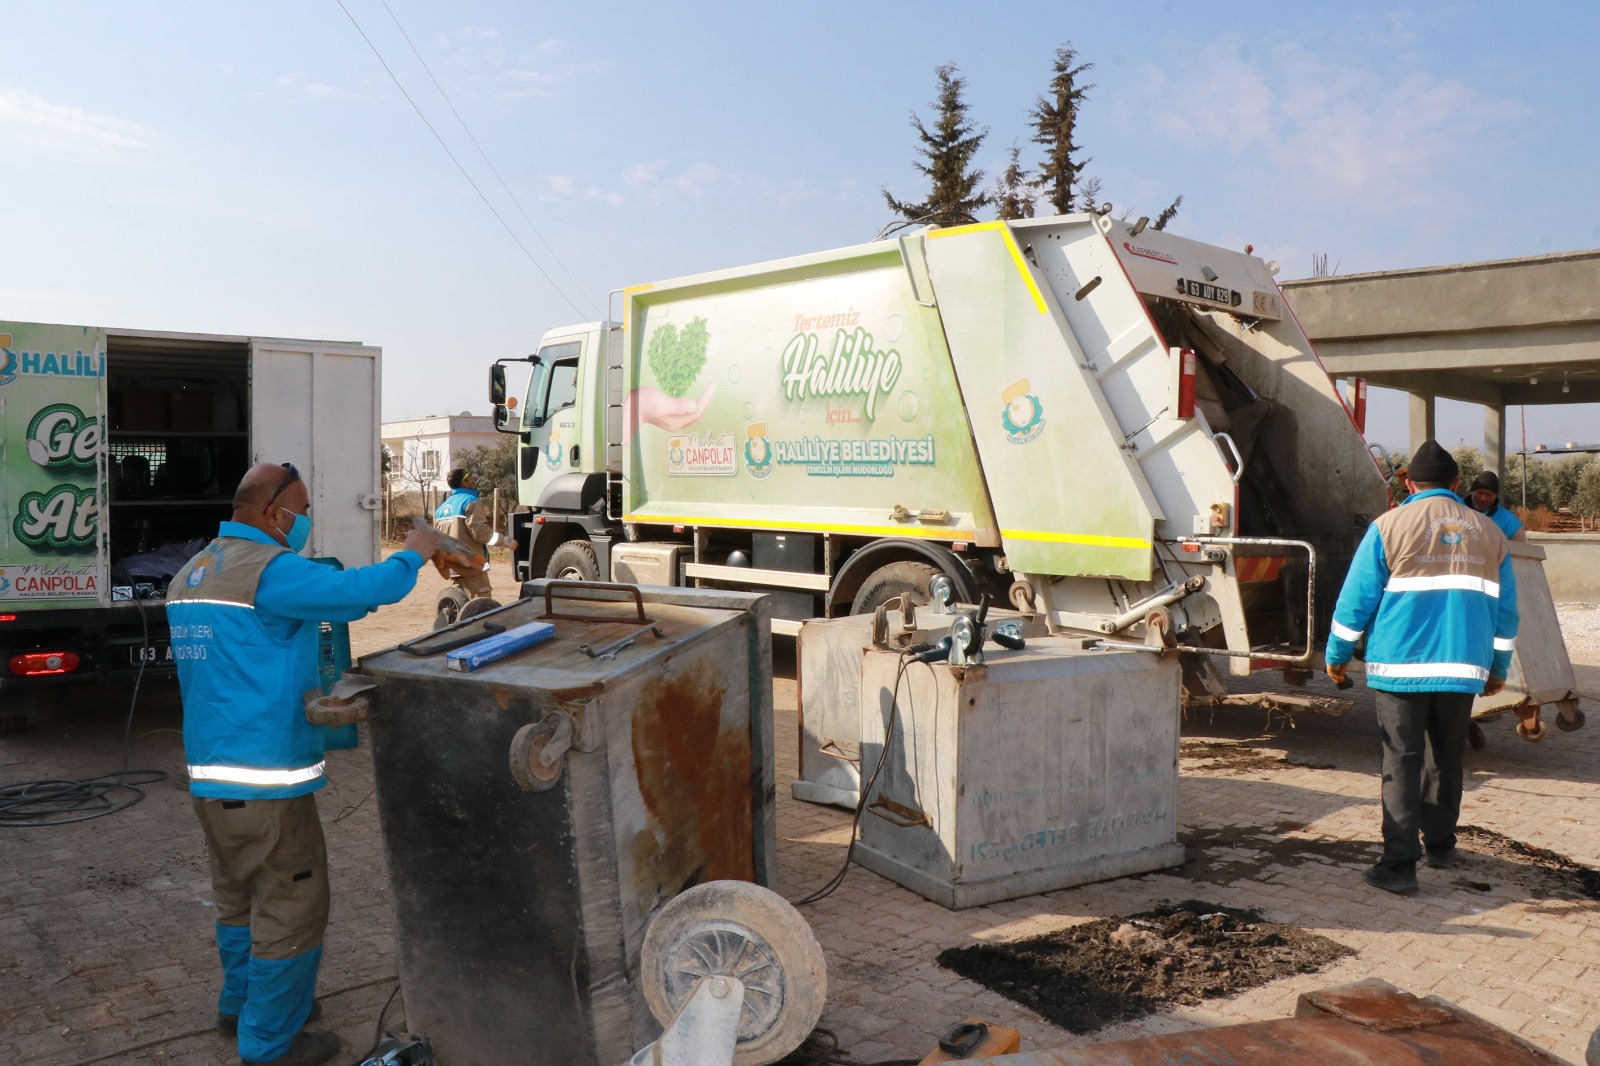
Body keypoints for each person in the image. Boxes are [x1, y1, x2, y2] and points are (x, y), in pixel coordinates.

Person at [167, 461, 464, 1066]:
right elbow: (361, 593)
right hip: (267, 787)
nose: (304, 522)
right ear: (274, 514)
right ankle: (272, 1043)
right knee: (291, 909)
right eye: (301, 510)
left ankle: (240, 1002)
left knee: (238, 897)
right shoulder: (268, 572)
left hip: (211, 776)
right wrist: (412, 552)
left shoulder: (192, 572)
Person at [1325, 440, 1519, 896]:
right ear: (1457, 485)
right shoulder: (1491, 535)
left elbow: (1355, 602)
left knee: (1402, 759)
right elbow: (1506, 612)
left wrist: (1337, 655)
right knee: (1447, 757)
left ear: (1409, 483)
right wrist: (1498, 667)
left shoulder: (1388, 526)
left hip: (1400, 668)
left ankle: (1398, 865)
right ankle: (1441, 846)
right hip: (1462, 670)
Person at [433, 468, 500, 599]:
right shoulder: (471, 501)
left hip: (453, 566)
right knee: (482, 606)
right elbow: (480, 534)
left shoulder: (441, 509)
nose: (473, 479)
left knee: (459, 604)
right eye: (469, 476)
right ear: (464, 482)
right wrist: (501, 540)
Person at [1464, 469, 1526, 541]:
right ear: (1472, 492)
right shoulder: (1456, 510)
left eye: (1489, 495)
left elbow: (1521, 550)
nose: (1483, 498)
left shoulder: (1510, 523)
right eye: (1480, 493)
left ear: (1496, 496)